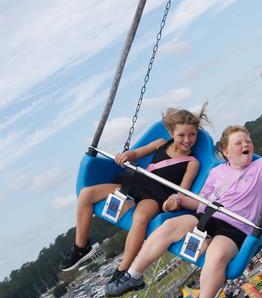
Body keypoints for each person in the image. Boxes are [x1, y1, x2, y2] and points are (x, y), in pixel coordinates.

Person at [107, 105, 262, 298]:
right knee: (168, 228)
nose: (245, 144)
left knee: (216, 255)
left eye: (247, 141)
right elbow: (201, 201)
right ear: (226, 152)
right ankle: (133, 274)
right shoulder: (217, 173)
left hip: (234, 227)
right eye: (238, 143)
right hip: (208, 218)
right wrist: (178, 201)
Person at [62, 108, 201, 274]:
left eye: (192, 134)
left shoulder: (192, 163)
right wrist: (126, 155)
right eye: (182, 135)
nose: (187, 140)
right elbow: (136, 153)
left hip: (154, 197)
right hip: (134, 184)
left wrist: (174, 202)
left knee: (140, 217)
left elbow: (181, 192)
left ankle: (123, 269)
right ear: (171, 132)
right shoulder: (160, 144)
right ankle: (81, 246)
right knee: (86, 194)